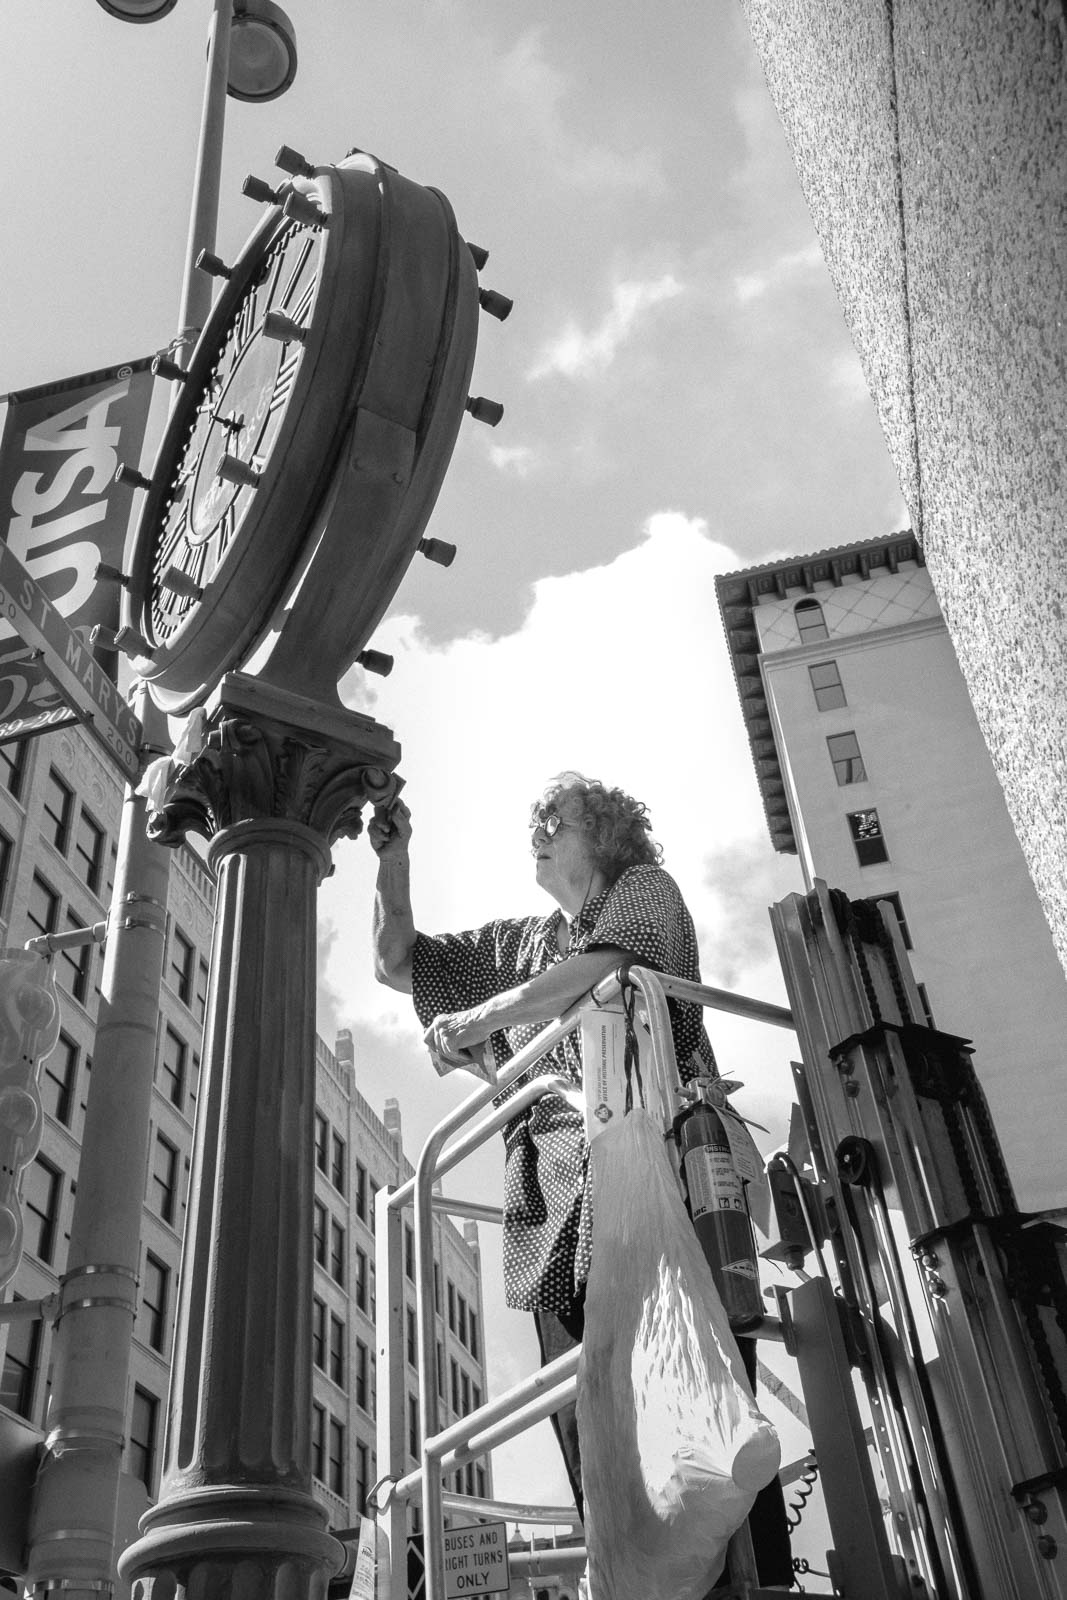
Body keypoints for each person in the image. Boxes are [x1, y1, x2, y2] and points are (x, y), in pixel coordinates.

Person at [370, 772, 792, 1589]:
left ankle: (747, 1579)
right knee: (592, 1424)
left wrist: (483, 1021)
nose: (536, 832)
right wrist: (394, 856)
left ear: (602, 837)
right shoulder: (521, 944)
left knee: (694, 1379)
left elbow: (603, 971)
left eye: (554, 821)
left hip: (658, 1177)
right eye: (533, 821)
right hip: (555, 1211)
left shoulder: (642, 891)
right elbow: (398, 966)